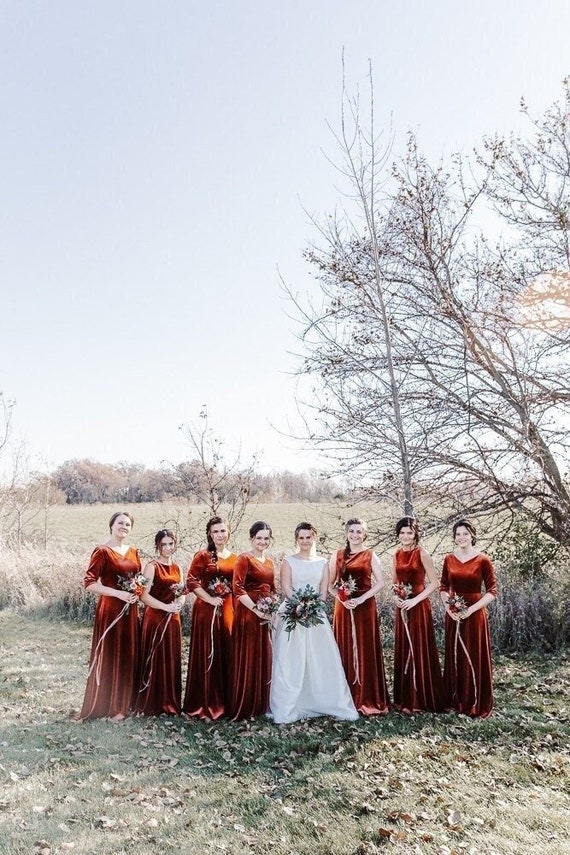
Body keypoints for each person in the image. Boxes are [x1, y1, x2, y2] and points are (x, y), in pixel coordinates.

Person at [270, 523, 358, 724]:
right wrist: (299, 606)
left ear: (314, 538)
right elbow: (286, 587)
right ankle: (290, 703)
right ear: (296, 539)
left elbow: (323, 591)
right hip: (293, 612)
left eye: (308, 537)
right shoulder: (288, 561)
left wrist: (312, 607)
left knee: (320, 658)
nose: (305, 541)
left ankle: (323, 700)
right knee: (291, 658)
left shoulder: (322, 563)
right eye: (301, 538)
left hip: (315, 615)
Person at [77, 511, 141, 721]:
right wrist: (118, 593)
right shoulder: (102, 551)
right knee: (111, 653)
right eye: (120, 523)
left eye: (128, 524)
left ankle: (125, 703)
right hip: (111, 608)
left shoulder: (133, 552)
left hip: (130, 610)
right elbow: (90, 583)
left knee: (128, 653)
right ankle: (108, 704)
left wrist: (135, 593)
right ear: (111, 525)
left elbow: (138, 580)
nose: (124, 527)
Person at [329, 518, 390, 715]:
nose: (355, 535)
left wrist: (362, 599)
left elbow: (381, 582)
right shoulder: (337, 555)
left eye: (359, 532)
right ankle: (344, 697)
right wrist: (341, 597)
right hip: (344, 607)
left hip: (365, 607)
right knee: (343, 646)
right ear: (346, 533)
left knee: (365, 648)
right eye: (352, 531)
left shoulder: (370, 555)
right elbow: (329, 585)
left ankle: (367, 697)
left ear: (365, 534)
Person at [440, 519, 498, 718]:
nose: (461, 537)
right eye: (458, 534)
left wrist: (471, 610)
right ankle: (455, 698)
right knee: (455, 654)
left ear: (472, 535)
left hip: (475, 614)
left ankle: (474, 701)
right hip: (454, 614)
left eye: (465, 533)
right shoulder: (448, 559)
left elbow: (492, 591)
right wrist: (449, 607)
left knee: (473, 654)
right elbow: (443, 587)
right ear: (454, 537)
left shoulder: (483, 560)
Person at [183, 516, 237, 720]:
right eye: (216, 531)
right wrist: (209, 598)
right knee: (208, 651)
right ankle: (204, 703)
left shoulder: (235, 558)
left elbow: (238, 584)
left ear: (228, 532)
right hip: (206, 609)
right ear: (210, 534)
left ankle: (226, 701)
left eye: (223, 531)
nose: (220, 535)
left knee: (227, 649)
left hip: (229, 609)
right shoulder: (203, 556)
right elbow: (191, 581)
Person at [392, 517, 444, 713]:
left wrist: (415, 600)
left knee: (419, 647)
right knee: (405, 647)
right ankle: (405, 697)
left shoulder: (422, 553)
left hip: (418, 604)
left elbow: (434, 583)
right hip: (402, 605)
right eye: (402, 533)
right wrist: (396, 597)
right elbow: (394, 583)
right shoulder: (396, 554)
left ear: (415, 534)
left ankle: (421, 697)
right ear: (398, 534)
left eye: (409, 533)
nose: (405, 536)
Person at [228, 520, 277, 720]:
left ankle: (262, 703)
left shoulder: (270, 562)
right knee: (249, 656)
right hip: (249, 613)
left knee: (264, 655)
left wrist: (271, 605)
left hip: (266, 614)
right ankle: (246, 704)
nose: (262, 542)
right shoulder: (244, 559)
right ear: (252, 538)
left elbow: (272, 588)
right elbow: (237, 588)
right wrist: (256, 609)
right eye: (259, 538)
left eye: (266, 538)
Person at [135, 529, 185, 716]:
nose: (167, 548)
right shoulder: (152, 566)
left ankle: (169, 702)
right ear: (158, 545)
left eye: (170, 543)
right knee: (155, 658)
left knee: (170, 658)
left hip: (173, 619)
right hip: (155, 618)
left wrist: (178, 604)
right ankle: (152, 702)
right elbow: (144, 597)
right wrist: (166, 607)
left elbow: (182, 594)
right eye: (163, 544)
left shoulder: (178, 567)